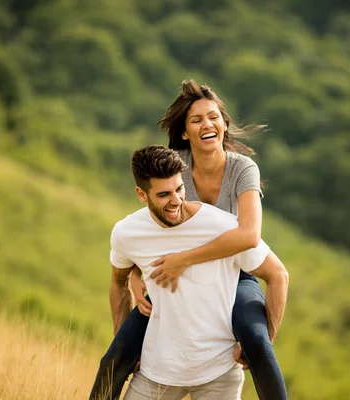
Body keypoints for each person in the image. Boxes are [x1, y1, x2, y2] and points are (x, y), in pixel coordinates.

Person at [90, 80, 289, 400]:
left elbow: (249, 236)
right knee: (117, 354)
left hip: (235, 273)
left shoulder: (242, 169)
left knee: (256, 340)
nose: (207, 125)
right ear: (184, 132)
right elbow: (152, 225)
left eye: (214, 117)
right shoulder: (175, 166)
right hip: (173, 272)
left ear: (224, 123)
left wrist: (184, 259)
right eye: (196, 120)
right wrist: (138, 274)